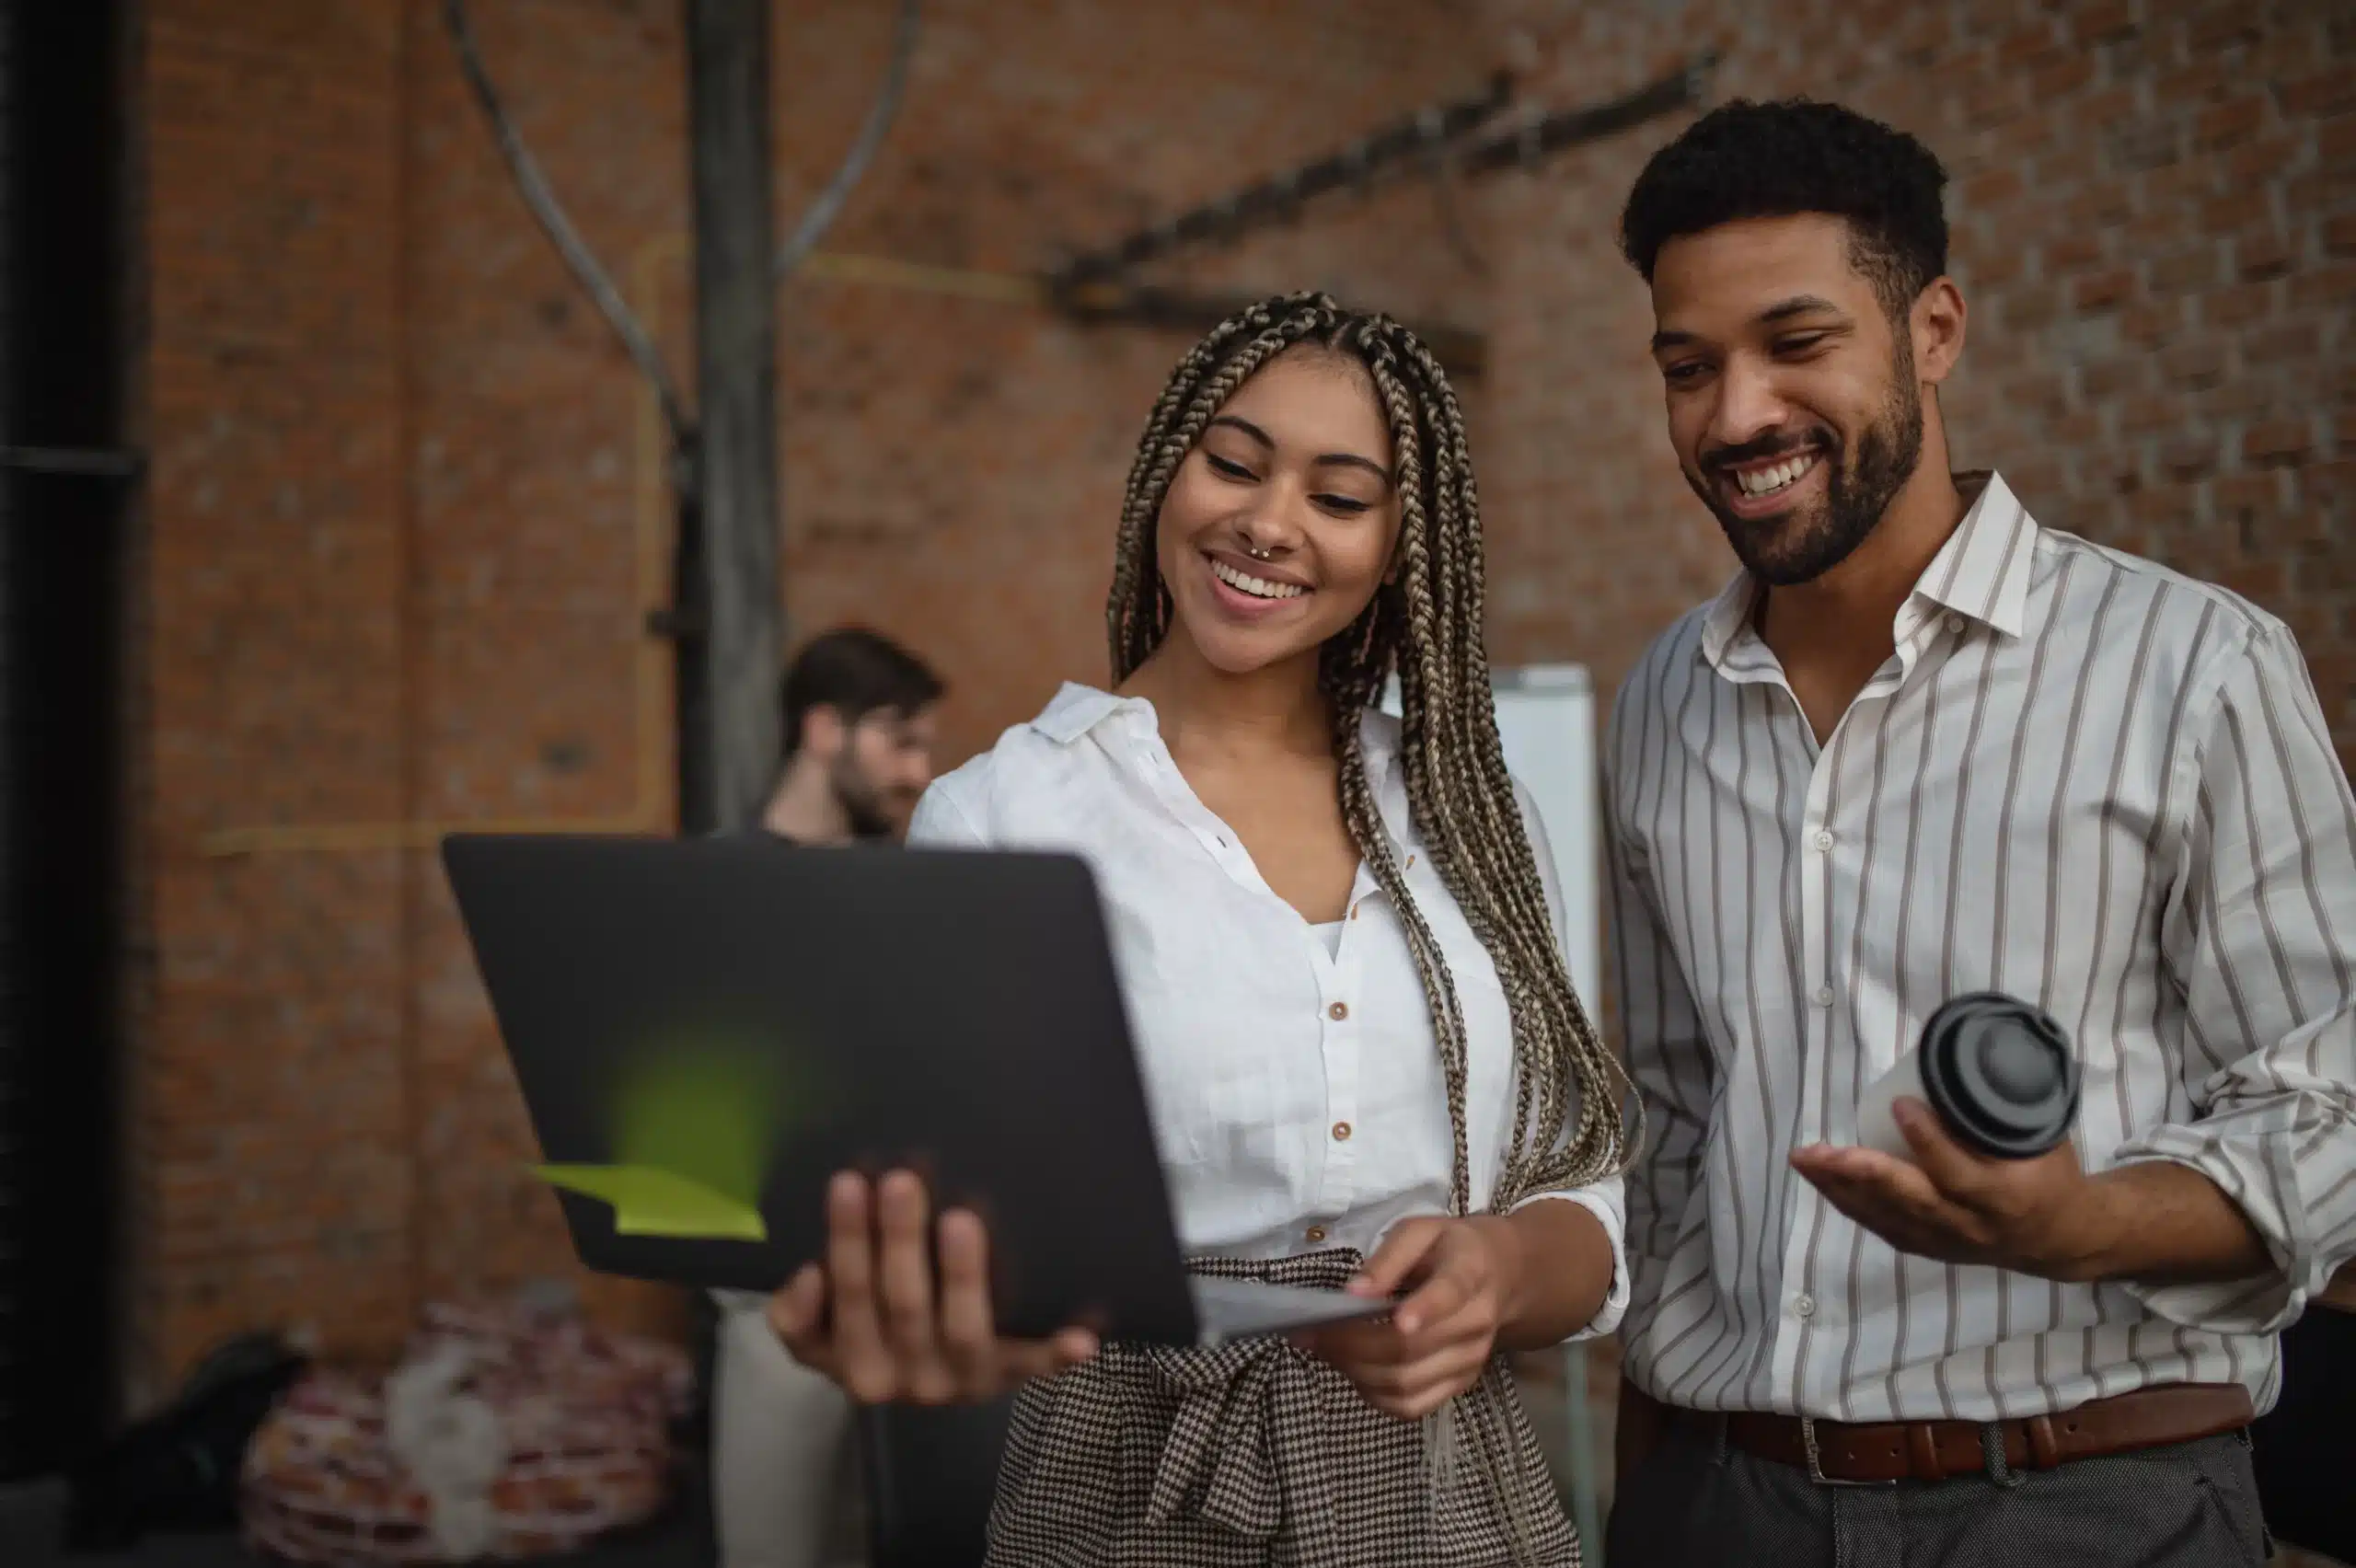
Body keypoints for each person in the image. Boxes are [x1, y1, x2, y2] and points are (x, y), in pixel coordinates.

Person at [1599, 98, 2356, 1568]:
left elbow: (2330, 1107)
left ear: (1933, 328)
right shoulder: (1661, 705)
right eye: (1690, 368)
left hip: (2085, 1503)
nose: (1735, 414)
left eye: (1797, 343)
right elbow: (1673, 1134)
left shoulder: (2192, 665)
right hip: (1722, 1501)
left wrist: (2083, 1227)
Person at [764, 293, 1634, 1565]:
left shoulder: (1472, 815)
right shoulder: (1003, 812)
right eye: (1233, 463)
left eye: (1339, 498)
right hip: (1129, 1477)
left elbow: (1583, 1184)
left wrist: (1499, 1271)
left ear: (1400, 546)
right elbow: (945, 1203)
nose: (1268, 523)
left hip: (1451, 1495)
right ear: (1169, 466)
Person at [708, 627, 943, 1568]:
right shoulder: (720, 887)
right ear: (821, 730)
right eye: (900, 740)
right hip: (776, 1276)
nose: (920, 771)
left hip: (912, 1268)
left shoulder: (911, 880)